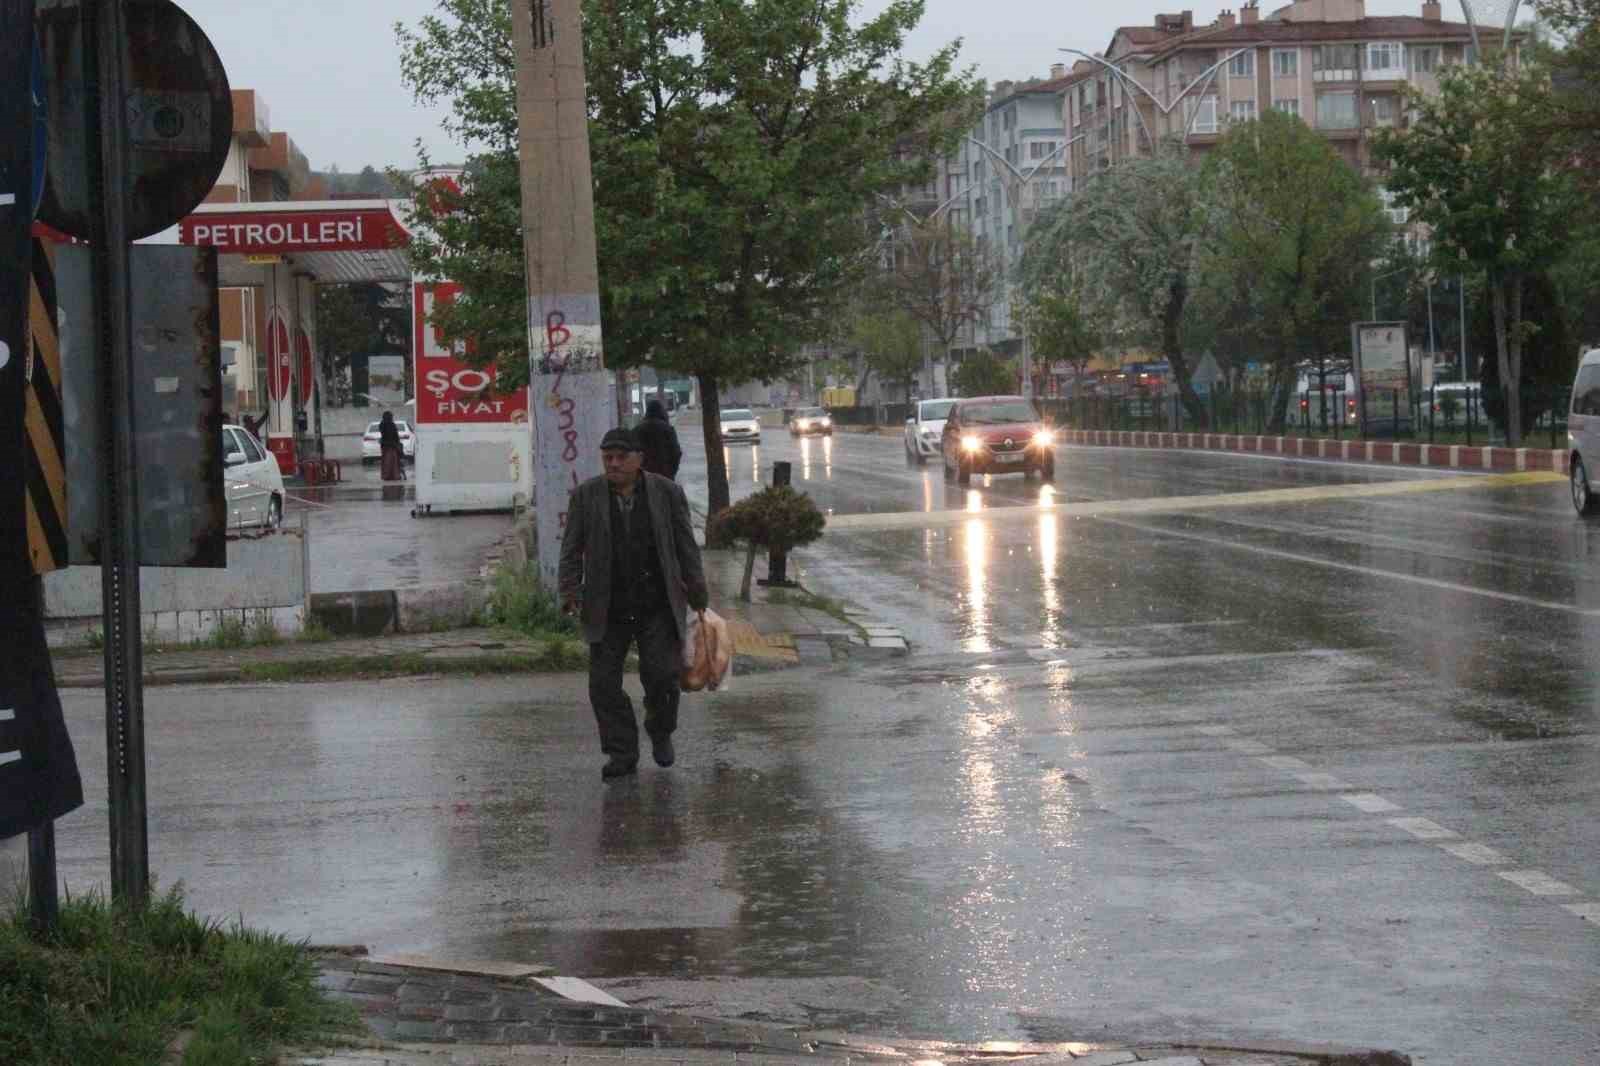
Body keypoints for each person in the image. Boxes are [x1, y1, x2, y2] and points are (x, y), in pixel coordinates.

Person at [560, 427, 708, 781]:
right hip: (607, 605)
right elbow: (571, 549)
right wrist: (569, 591)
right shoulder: (586, 496)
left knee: (662, 677)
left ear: (639, 459)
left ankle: (660, 731)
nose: (613, 464)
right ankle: (621, 752)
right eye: (607, 458)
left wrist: (698, 590)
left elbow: (686, 544)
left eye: (621, 458)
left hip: (656, 603)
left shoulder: (667, 493)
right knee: (603, 685)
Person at [634, 399, 683, 479]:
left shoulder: (637, 430)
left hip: (643, 477)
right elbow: (676, 453)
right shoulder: (668, 429)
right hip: (664, 475)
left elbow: (632, 454)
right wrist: (671, 473)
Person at [378, 410, 405, 481]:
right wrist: (397, 443)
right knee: (393, 462)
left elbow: (384, 435)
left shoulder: (382, 424)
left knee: (386, 462)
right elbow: (394, 436)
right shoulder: (391, 425)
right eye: (391, 416)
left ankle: (386, 475)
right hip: (392, 446)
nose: (392, 417)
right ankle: (393, 475)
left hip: (385, 446)